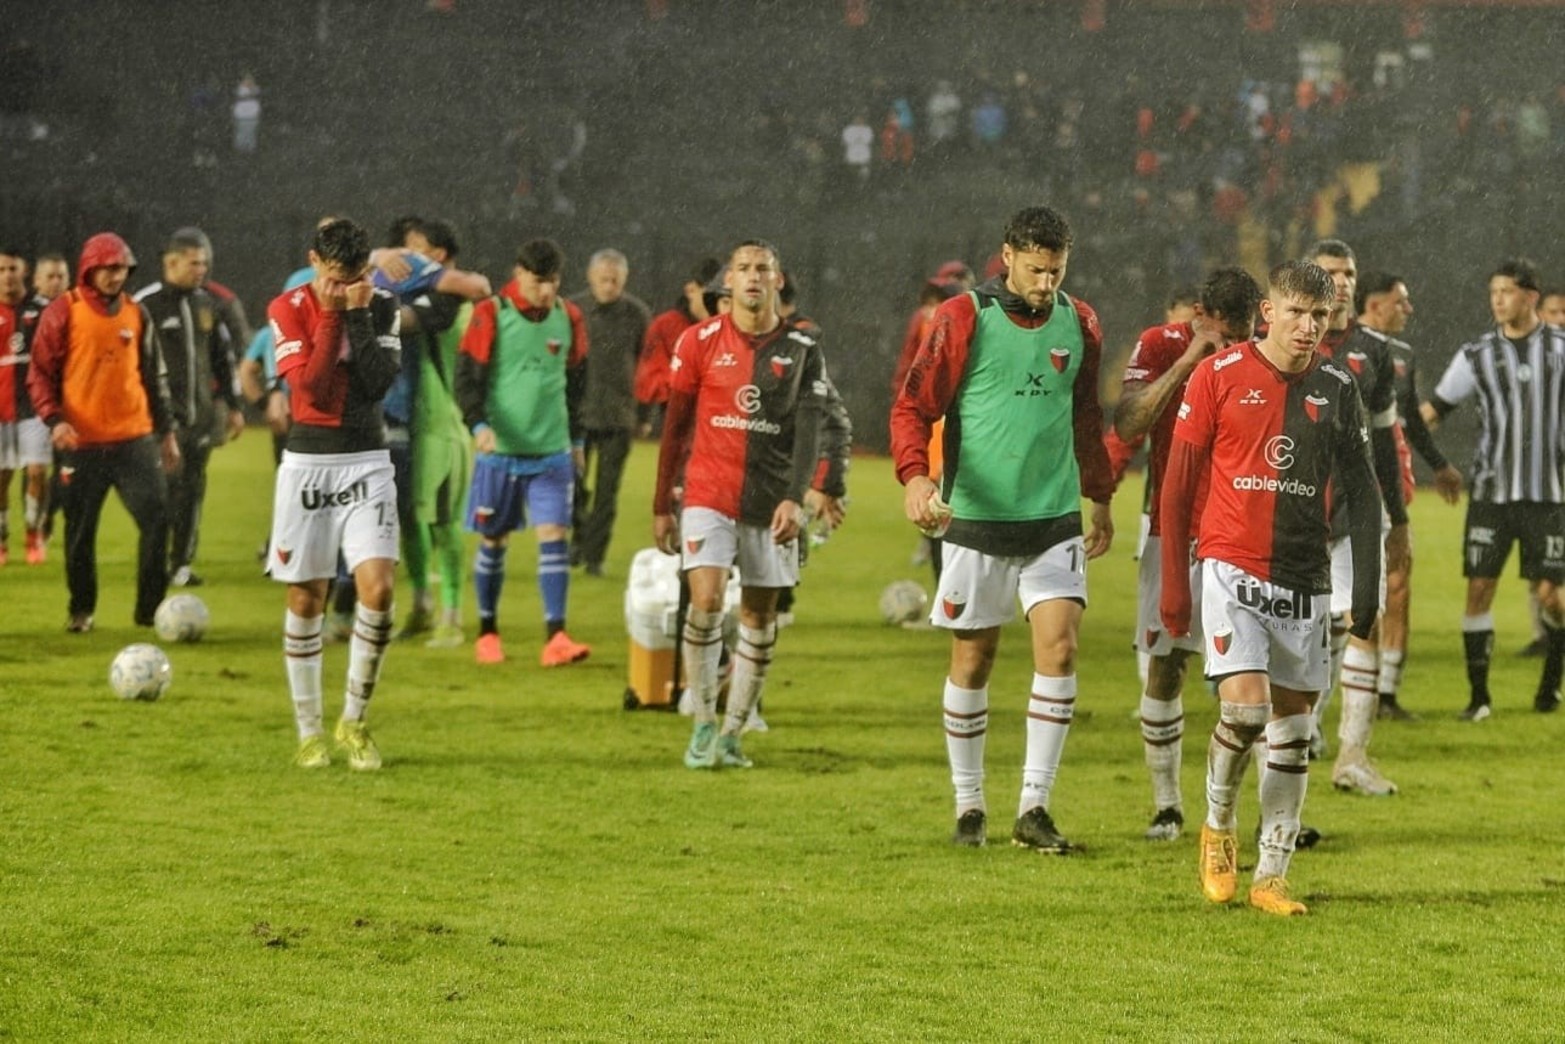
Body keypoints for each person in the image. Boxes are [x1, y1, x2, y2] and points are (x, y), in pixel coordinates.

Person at [1161, 259, 1382, 916]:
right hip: (1231, 567)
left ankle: (1272, 874)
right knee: (1246, 711)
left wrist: (1364, 588)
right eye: (1295, 312)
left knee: (1292, 733)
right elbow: (1176, 489)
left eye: (1318, 316)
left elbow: (1365, 494)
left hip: (1305, 578)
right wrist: (1175, 587)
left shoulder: (1338, 387)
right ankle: (1219, 827)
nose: (1307, 327)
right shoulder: (1218, 377)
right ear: (1268, 313)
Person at [891, 205, 1114, 852]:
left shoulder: (1082, 322)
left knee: (1061, 647)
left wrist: (1098, 495)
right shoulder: (962, 318)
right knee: (973, 658)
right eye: (1036, 269)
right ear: (1007, 256)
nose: (1046, 283)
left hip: (1051, 518)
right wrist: (915, 478)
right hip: (975, 521)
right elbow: (913, 405)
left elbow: (1084, 412)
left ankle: (1033, 807)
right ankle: (969, 806)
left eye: (1056, 270)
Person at [653, 239, 825, 769]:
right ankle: (702, 721)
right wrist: (662, 503)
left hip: (770, 501)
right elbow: (675, 427)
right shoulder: (698, 340)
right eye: (744, 269)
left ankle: (733, 733)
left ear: (778, 281)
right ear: (728, 281)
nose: (753, 277)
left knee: (758, 615)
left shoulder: (802, 348)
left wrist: (796, 499)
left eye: (763, 269)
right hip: (709, 493)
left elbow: (809, 432)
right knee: (705, 601)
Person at [1112, 265, 1262, 841]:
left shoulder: (1263, 358)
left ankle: (1245, 813)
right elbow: (1126, 423)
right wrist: (1187, 362)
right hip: (1168, 530)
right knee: (1166, 664)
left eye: (1241, 340)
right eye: (1223, 339)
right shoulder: (1160, 344)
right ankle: (1168, 805)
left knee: (1254, 675)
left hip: (1241, 533)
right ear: (1200, 319)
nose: (1233, 351)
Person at [264, 218, 402, 771]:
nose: (347, 286)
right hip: (309, 465)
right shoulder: (287, 308)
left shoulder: (381, 305)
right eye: (338, 277)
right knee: (306, 600)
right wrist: (330, 314)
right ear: (316, 263)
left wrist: (359, 314)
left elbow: (375, 382)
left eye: (357, 277)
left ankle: (355, 720)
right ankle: (309, 732)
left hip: (368, 461)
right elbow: (312, 388)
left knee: (380, 589)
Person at [1425, 258, 1565, 720]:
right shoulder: (1477, 354)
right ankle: (1479, 698)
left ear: (1529, 296)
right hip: (1491, 494)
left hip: (1550, 494)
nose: (1498, 300)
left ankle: (1550, 685)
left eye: (1506, 291)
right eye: (1493, 293)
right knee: (1479, 589)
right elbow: (1436, 409)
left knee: (1553, 597)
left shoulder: (1561, 349)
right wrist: (1402, 443)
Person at [27, 232, 180, 632]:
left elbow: (153, 377)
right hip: (81, 444)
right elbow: (40, 374)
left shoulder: (136, 313)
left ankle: (151, 613)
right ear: (89, 270)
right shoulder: (64, 311)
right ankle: (82, 610)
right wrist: (54, 420)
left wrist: (166, 434)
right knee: (79, 533)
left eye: (122, 269)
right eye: (108, 269)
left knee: (158, 519)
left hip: (135, 440)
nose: (116, 277)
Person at [1305, 240, 1410, 796]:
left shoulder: (1374, 351)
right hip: (1294, 511)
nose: (1342, 282)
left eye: (1347, 273)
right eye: (1329, 272)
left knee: (1365, 623)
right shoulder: (1288, 343)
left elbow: (1389, 445)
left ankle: (1352, 755)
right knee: (1304, 631)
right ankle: (1298, 735)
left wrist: (1400, 521)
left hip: (1355, 515)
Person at [456, 238, 592, 668]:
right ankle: (488, 631)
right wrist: (478, 425)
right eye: (538, 282)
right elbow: (466, 379)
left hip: (551, 452)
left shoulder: (569, 317)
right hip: (501, 455)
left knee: (554, 536)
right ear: (518, 275)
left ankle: (556, 636)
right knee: (494, 540)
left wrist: (577, 441)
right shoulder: (490, 314)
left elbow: (578, 384)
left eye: (553, 282)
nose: (546, 291)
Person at [1355, 272, 1463, 720]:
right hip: (1337, 487)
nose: (1409, 309)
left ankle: (1387, 695)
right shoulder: (1338, 346)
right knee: (1344, 595)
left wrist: (1439, 464)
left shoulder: (1402, 355)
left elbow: (1411, 421)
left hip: (1389, 481)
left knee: (1398, 584)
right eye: (1401, 302)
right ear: (1376, 305)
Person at [133, 228, 245, 588]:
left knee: (192, 492)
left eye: (204, 263)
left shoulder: (207, 304)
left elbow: (223, 359)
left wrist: (234, 404)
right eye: (194, 263)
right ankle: (154, 564)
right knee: (160, 496)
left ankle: (180, 564)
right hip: (159, 423)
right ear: (171, 262)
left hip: (199, 419)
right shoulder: (144, 305)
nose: (201, 269)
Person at [399, 218, 478, 648]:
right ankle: (421, 606)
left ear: (440, 257)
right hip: (413, 429)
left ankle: (452, 616)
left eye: (416, 251)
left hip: (447, 431)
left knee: (446, 524)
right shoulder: (425, 296)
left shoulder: (457, 309)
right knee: (410, 519)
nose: (405, 260)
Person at [570, 248, 651, 577]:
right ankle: (578, 538)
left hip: (618, 415)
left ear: (624, 279)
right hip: (577, 415)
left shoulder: (637, 314)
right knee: (572, 487)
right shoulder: (572, 310)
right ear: (590, 277)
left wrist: (644, 415)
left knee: (607, 492)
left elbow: (647, 368)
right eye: (603, 279)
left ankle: (594, 557)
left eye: (614, 280)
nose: (608, 285)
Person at [0, 247, 53, 565]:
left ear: (25, 272)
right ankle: (2, 536)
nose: (7, 276)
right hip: (0, 409)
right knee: (2, 476)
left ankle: (33, 532)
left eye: (13, 269)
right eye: (2, 269)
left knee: (36, 472)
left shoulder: (43, 309)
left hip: (34, 407)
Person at [634, 257, 720, 433]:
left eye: (720, 296)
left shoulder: (730, 326)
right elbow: (649, 378)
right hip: (680, 421)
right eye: (708, 294)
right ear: (690, 290)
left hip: (723, 422)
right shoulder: (666, 325)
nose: (714, 302)